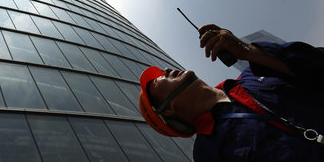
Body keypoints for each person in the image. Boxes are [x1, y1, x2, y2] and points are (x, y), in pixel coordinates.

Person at [138, 24, 324, 161]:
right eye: (158, 80)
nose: (166, 70)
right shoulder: (207, 153)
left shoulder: (254, 73)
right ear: (167, 109)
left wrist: (248, 50)